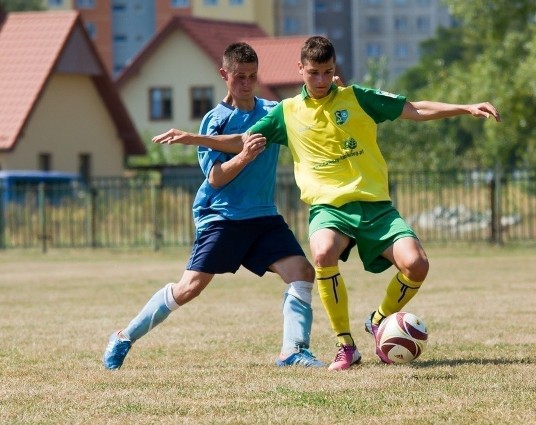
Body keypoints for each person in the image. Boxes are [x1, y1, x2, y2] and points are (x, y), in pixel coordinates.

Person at [153, 36, 501, 371]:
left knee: (418, 265)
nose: (321, 80)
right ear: (300, 69)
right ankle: (345, 345)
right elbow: (242, 140)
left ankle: (377, 321)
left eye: (327, 72)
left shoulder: (359, 98)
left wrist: (465, 108)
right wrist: (192, 139)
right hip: (329, 209)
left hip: (376, 206)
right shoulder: (286, 112)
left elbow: (414, 108)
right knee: (321, 254)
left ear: (335, 70)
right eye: (313, 72)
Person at [103, 42, 325, 370]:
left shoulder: (272, 112)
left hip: (263, 216)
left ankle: (292, 351)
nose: (247, 83)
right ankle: (123, 337)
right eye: (240, 77)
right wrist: (245, 155)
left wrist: (329, 92)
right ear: (224, 74)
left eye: (252, 76)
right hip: (222, 216)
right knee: (190, 287)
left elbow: (307, 111)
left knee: (302, 273)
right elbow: (217, 178)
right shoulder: (215, 120)